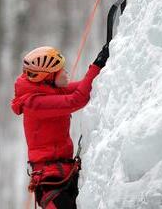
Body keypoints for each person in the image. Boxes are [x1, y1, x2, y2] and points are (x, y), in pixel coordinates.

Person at [11, 44, 109, 209]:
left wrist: (99, 66)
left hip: (63, 175)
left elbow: (83, 87)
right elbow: (77, 100)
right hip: (51, 184)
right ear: (48, 77)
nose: (66, 73)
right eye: (61, 70)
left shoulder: (49, 90)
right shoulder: (35, 103)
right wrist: (97, 66)